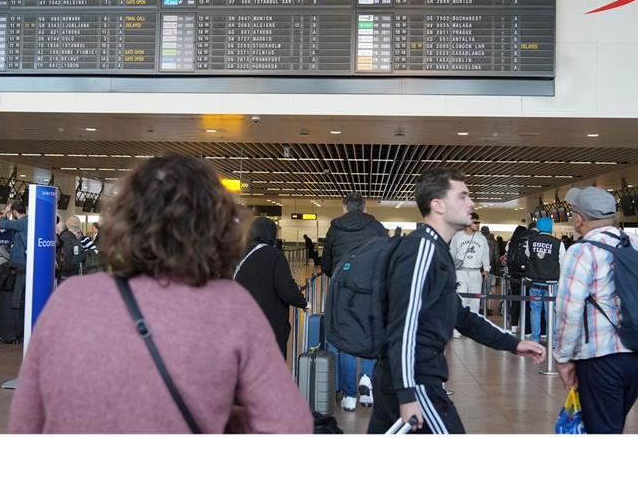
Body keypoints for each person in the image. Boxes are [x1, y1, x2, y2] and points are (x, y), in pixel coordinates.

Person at [8, 154, 313, 433]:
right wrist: (221, 420)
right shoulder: (231, 306)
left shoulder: (68, 299)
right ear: (217, 227)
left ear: (124, 219)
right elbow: (290, 424)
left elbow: (25, 424)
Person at [367, 168, 545, 434]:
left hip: (407, 377)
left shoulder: (437, 251)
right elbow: (403, 325)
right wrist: (407, 394)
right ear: (437, 205)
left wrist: (513, 343)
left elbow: (460, 315)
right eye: (462, 196)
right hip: (415, 380)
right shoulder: (422, 250)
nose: (471, 203)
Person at [552, 186, 638, 434]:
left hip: (603, 358)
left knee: (603, 430)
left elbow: (569, 309)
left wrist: (563, 357)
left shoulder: (581, 250)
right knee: (611, 424)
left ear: (579, 219)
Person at [320, 191, 388, 411]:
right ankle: (367, 382)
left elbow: (326, 263)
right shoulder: (377, 227)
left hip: (342, 289)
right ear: (364, 208)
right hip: (371, 288)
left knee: (345, 339)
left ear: (344, 207)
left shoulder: (335, 228)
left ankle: (350, 396)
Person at [233, 216, 308, 358]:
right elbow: (285, 288)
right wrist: (303, 303)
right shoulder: (275, 256)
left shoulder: (239, 255)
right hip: (267, 321)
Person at [524, 216, 564, 343]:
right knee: (551, 311)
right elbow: (563, 263)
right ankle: (552, 339)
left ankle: (535, 339)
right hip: (551, 283)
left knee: (535, 310)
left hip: (534, 281)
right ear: (551, 227)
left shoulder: (530, 241)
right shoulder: (558, 243)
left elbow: (528, 255)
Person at [449, 212, 490, 337]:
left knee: (475, 301)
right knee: (461, 299)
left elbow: (485, 254)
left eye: (479, 222)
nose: (478, 225)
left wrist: (486, 269)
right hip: (460, 272)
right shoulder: (457, 236)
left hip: (475, 272)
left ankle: (472, 328)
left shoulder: (481, 238)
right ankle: (457, 328)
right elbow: (451, 253)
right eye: (475, 222)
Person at [0, 201, 29, 343]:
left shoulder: (22, 222)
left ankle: (15, 331)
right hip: (20, 265)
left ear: (15, 211)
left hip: (20, 266)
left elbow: (1, 224)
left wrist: (5, 212)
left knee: (16, 298)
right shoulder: (26, 222)